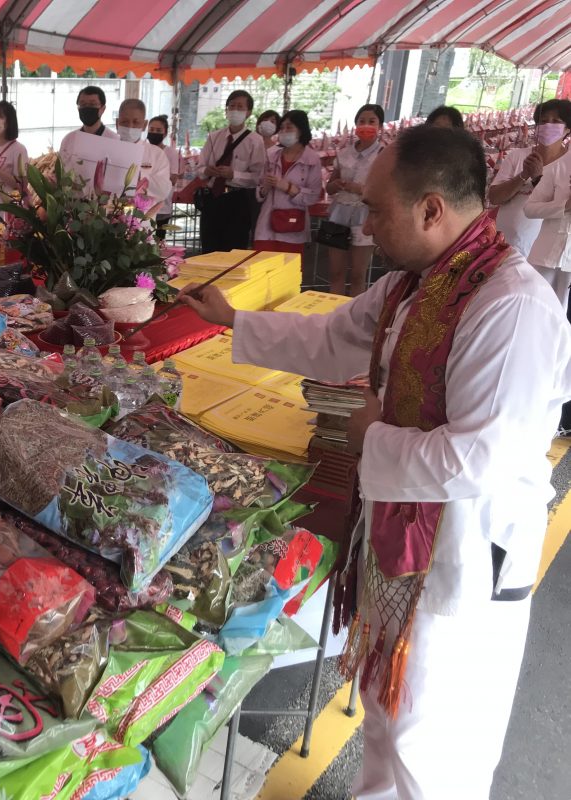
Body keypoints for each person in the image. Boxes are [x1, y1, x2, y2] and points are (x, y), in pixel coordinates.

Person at [180, 125, 571, 800]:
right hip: (408, 531)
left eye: (377, 210)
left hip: (465, 557)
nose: (366, 223)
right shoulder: (420, 284)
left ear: (430, 210)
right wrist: (232, 322)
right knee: (391, 719)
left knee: (434, 738)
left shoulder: (508, 307)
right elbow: (335, 336)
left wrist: (372, 438)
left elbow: (480, 458)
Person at [491, 99, 571, 258]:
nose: (548, 125)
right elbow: (494, 197)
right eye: (543, 121)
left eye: (556, 122)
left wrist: (537, 179)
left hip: (542, 252)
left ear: (567, 129)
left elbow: (563, 206)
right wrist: (523, 175)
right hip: (504, 244)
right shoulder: (517, 156)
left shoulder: (568, 164)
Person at [324, 104, 386, 295]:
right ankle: (333, 314)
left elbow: (386, 190)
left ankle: (354, 317)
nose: (365, 125)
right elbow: (330, 185)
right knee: (335, 272)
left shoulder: (384, 155)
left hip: (365, 215)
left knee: (358, 274)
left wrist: (360, 189)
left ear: (380, 126)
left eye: (371, 121)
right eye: (361, 121)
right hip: (339, 214)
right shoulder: (344, 153)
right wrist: (335, 185)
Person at [197, 90, 267, 252]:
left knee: (233, 249)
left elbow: (258, 177)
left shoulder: (255, 141)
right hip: (213, 197)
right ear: (226, 110)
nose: (235, 110)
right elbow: (199, 168)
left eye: (240, 107)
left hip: (238, 200)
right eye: (231, 106)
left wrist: (234, 174)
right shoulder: (214, 137)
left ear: (248, 112)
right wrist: (208, 170)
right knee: (209, 248)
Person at [253, 109, 323, 253]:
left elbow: (313, 196)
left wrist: (288, 188)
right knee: (262, 268)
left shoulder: (311, 160)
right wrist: (263, 189)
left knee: (287, 270)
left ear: (301, 130)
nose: (284, 131)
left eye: (289, 127)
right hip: (266, 226)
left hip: (293, 226)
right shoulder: (271, 155)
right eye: (282, 127)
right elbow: (259, 188)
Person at [523, 140, 571, 310]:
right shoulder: (558, 168)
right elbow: (529, 208)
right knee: (535, 308)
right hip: (546, 256)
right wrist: (564, 206)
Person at [115, 99, 171, 217]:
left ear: (144, 125)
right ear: (117, 123)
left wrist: (140, 177)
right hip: (108, 218)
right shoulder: (107, 149)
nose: (130, 126)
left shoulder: (157, 154)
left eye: (136, 122)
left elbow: (163, 191)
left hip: (142, 221)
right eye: (124, 122)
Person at [148, 114, 181, 240]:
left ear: (165, 133)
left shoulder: (170, 152)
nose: (154, 133)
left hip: (162, 205)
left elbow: (173, 179)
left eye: (158, 131)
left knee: (158, 240)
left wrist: (154, 179)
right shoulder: (144, 149)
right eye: (151, 130)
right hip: (144, 204)